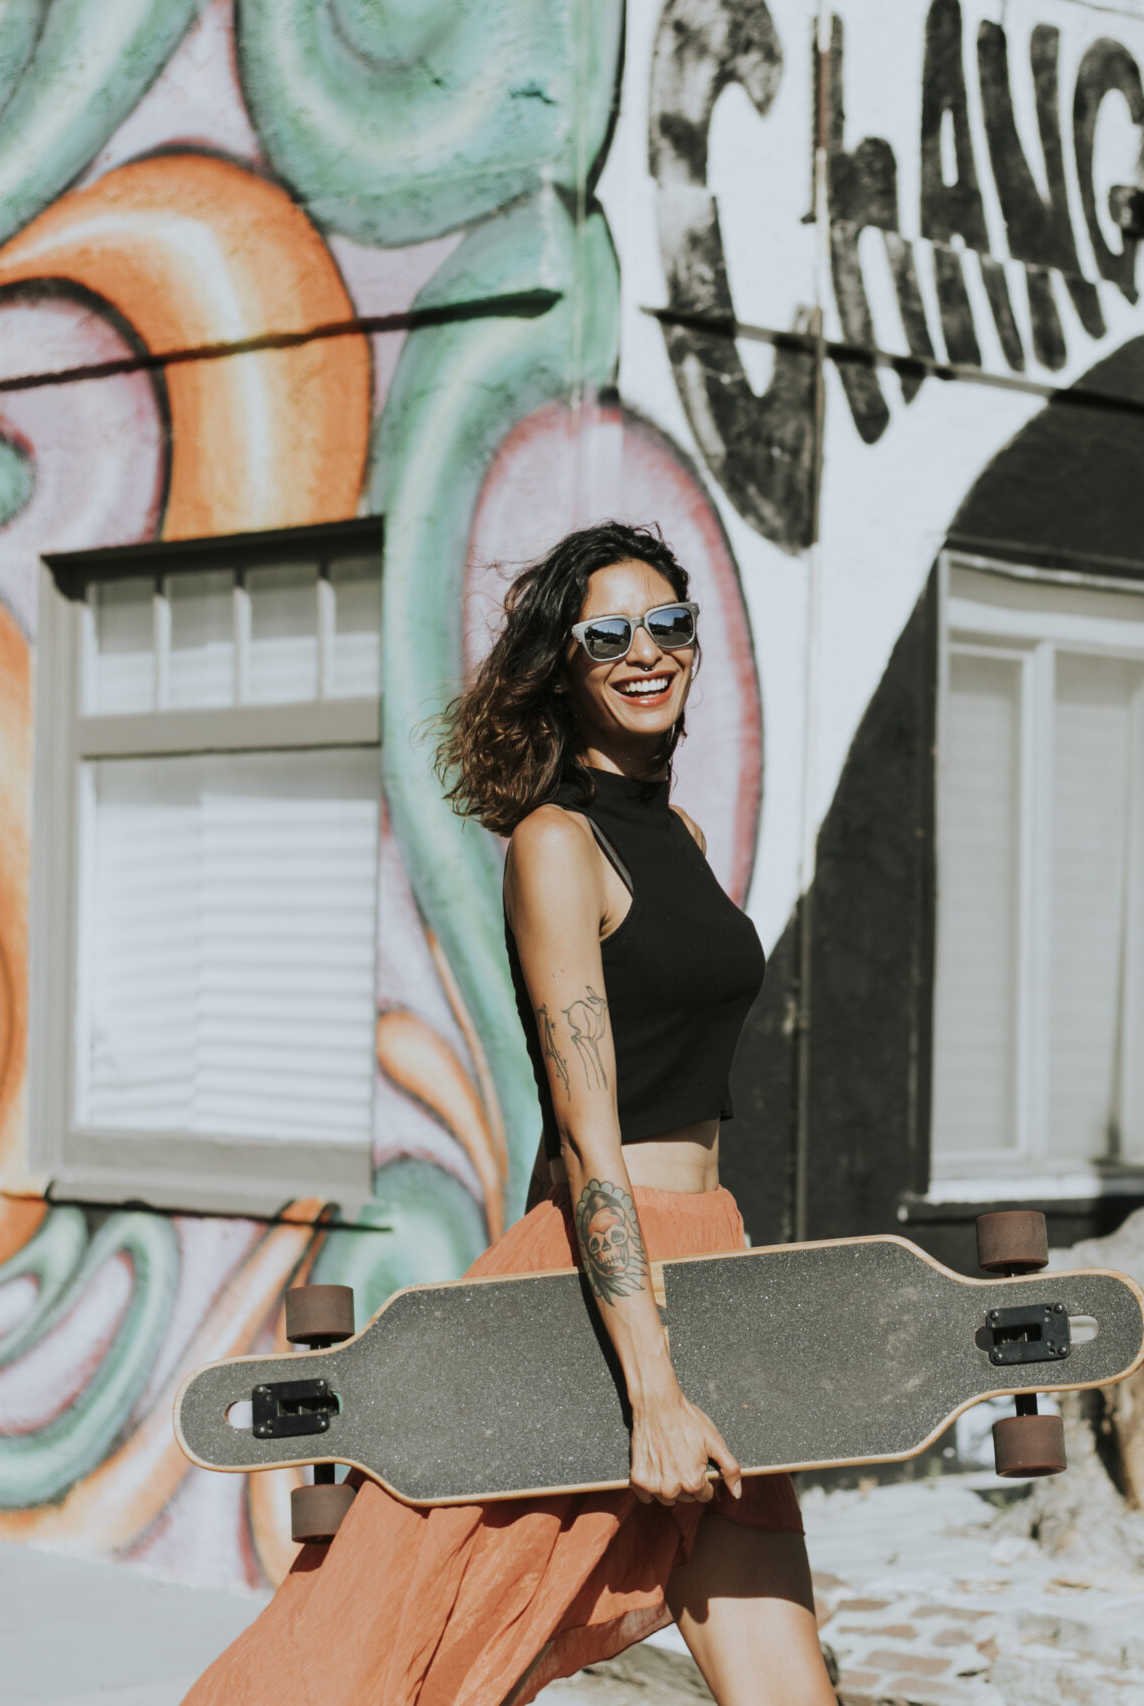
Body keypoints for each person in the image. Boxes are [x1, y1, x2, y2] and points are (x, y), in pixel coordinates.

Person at [182, 522, 833, 1706]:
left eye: (669, 624)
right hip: (599, 1296)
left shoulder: (677, 836)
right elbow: (588, 1135)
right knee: (393, 1648)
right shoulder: (553, 842)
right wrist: (651, 1389)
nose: (646, 652)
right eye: (608, 633)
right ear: (565, 666)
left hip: (710, 1265)